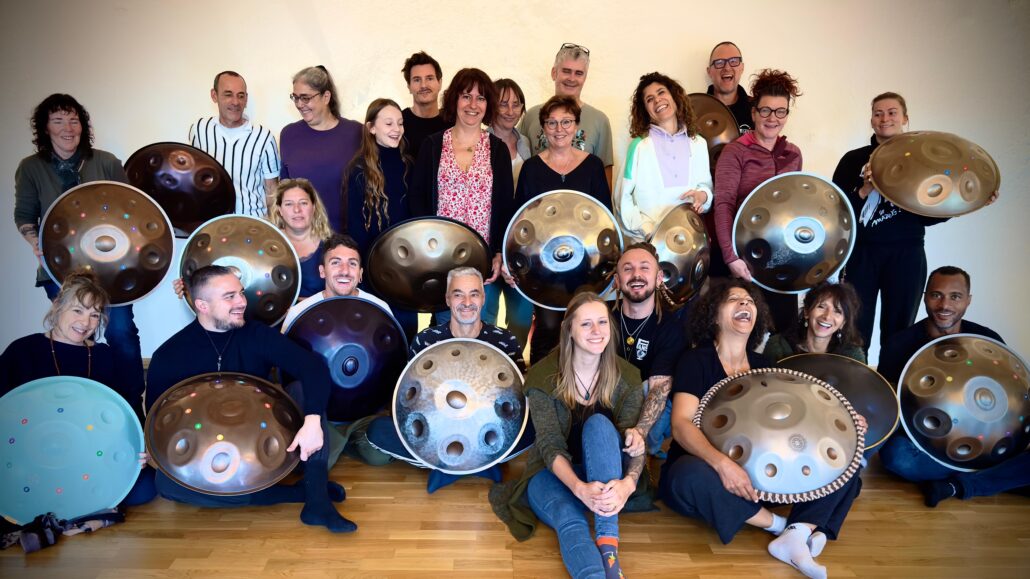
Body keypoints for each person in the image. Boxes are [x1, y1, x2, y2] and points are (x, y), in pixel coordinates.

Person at [660, 279, 865, 579]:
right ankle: (785, 528)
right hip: (709, 473)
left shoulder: (764, 364)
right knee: (687, 474)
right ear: (714, 315)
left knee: (847, 457)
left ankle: (798, 533)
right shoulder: (696, 360)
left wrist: (847, 423)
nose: (745, 303)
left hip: (761, 480)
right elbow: (680, 425)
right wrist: (724, 466)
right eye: (733, 299)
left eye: (749, 300)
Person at [146, 265, 356, 533]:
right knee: (167, 485)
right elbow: (155, 416)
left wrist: (313, 421)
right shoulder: (169, 355)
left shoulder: (256, 334)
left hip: (263, 444)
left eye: (241, 293)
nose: (242, 302)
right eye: (229, 297)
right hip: (209, 457)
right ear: (202, 305)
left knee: (303, 391)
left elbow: (312, 367)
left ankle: (317, 502)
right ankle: (297, 493)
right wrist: (152, 451)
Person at [490, 292, 652, 579]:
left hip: (607, 475)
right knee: (569, 520)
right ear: (569, 331)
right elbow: (550, 446)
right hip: (554, 475)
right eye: (586, 324)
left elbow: (633, 444)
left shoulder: (627, 377)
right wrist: (579, 489)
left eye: (602, 322)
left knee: (600, 426)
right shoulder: (543, 377)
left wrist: (628, 484)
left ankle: (608, 547)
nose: (596, 331)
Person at [13, 93, 143, 395]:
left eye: (73, 121)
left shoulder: (106, 162)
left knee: (121, 332)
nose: (67, 128)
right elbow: (24, 215)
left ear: (83, 125)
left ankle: (131, 403)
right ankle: (80, 399)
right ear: (45, 127)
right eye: (58, 121)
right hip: (59, 269)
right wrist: (35, 242)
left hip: (112, 267)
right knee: (76, 331)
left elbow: (132, 210)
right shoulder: (31, 167)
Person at [874, 266, 1027, 506]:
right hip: (925, 444)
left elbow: (1012, 395)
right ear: (925, 297)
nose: (945, 305)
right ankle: (997, 477)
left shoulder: (987, 340)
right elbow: (887, 409)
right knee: (898, 458)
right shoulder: (899, 344)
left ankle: (956, 484)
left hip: (984, 441)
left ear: (968, 300)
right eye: (936, 295)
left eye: (955, 297)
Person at [363, 267, 524, 492]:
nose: (466, 302)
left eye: (474, 294)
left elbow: (519, 399)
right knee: (378, 430)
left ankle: (447, 462)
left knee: (533, 426)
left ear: (483, 298)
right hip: (437, 428)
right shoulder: (426, 340)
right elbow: (408, 400)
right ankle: (472, 460)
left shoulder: (504, 340)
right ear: (447, 299)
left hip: (487, 427)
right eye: (458, 294)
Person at [0, 271, 154, 506]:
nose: (85, 323)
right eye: (78, 311)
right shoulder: (23, 350)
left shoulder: (104, 355)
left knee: (146, 487)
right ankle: (94, 517)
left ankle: (80, 515)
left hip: (90, 455)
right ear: (58, 306)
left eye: (95, 315)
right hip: (33, 455)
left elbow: (124, 412)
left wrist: (137, 449)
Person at [832, 92, 949, 354]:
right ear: (871, 120)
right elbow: (836, 212)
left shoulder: (922, 161)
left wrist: (968, 201)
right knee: (854, 327)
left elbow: (931, 214)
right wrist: (865, 189)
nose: (885, 118)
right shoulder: (853, 160)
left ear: (905, 118)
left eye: (892, 112)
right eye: (878, 113)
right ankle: (853, 378)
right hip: (862, 253)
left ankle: (893, 378)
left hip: (907, 253)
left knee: (900, 329)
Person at [513, 95, 611, 365]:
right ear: (543, 128)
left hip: (586, 263)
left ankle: (580, 385)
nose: (559, 129)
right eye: (552, 123)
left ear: (577, 126)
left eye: (566, 122)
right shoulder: (531, 168)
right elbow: (520, 219)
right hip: (544, 265)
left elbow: (605, 216)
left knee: (582, 325)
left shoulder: (593, 165)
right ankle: (540, 385)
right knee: (547, 327)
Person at [410, 67, 515, 319]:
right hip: (441, 257)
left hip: (483, 260)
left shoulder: (498, 150)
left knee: (484, 325)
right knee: (446, 325)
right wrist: (427, 246)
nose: (473, 105)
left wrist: (499, 252)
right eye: (466, 96)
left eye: (481, 98)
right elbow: (417, 198)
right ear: (454, 99)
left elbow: (504, 205)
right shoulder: (433, 145)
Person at [711, 69, 803, 332]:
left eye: (780, 111)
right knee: (742, 333)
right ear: (753, 113)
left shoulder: (793, 154)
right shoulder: (735, 152)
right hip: (744, 260)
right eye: (765, 110)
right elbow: (724, 205)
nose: (772, 118)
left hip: (782, 261)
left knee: (783, 334)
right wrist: (731, 258)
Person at [341, 98, 417, 339]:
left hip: (405, 267)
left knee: (406, 331)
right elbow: (355, 225)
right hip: (373, 268)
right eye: (388, 123)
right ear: (371, 128)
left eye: (400, 123)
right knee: (376, 332)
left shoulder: (409, 165)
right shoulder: (358, 169)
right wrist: (361, 265)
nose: (397, 129)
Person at [617, 71, 713, 242]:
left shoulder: (698, 143)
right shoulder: (639, 146)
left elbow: (705, 187)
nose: (657, 100)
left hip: (689, 241)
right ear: (645, 110)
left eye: (661, 92)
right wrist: (647, 230)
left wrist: (702, 196)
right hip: (648, 242)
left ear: (675, 97)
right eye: (649, 99)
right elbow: (622, 197)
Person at [612, 243, 686, 460]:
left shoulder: (671, 327)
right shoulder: (601, 318)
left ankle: (643, 453)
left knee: (654, 396)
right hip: (607, 397)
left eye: (645, 268)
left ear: (659, 278)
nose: (636, 275)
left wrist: (639, 432)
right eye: (627, 269)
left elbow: (659, 388)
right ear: (617, 281)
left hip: (648, 406)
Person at [482, 78, 534, 353]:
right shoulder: (480, 142)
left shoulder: (526, 143)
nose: (511, 110)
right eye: (503, 103)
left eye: (517, 104)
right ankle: (487, 361)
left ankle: (514, 360)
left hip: (521, 240)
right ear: (492, 106)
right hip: (489, 237)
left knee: (522, 316)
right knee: (485, 312)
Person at [519, 43, 614, 188]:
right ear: (554, 73)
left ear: (585, 78)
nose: (572, 78)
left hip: (580, 202)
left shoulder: (599, 120)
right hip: (539, 200)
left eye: (578, 73)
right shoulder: (532, 116)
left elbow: (605, 176)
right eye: (566, 71)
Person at [280, 65, 361, 232]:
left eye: (305, 98)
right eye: (295, 97)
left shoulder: (356, 132)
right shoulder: (288, 134)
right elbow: (284, 190)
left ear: (326, 97)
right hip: (303, 236)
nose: (299, 104)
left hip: (347, 235)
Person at [188, 70, 280, 217]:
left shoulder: (264, 137)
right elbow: (193, 178)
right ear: (214, 95)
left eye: (241, 96)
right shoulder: (199, 130)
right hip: (211, 222)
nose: (235, 102)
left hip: (252, 223)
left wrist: (274, 226)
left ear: (246, 99)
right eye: (228, 94)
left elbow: (272, 191)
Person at [280, 233, 392, 330]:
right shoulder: (298, 313)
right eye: (335, 263)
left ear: (360, 274)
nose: (345, 271)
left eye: (352, 263)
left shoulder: (381, 310)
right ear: (322, 271)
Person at [762, 281, 866, 363]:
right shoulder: (778, 347)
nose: (827, 316)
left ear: (843, 322)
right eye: (821, 306)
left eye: (837, 311)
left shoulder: (852, 356)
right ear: (807, 311)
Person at [268, 178, 334, 299]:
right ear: (280, 210)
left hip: (320, 310)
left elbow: (342, 292)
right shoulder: (267, 244)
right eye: (289, 204)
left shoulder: (332, 246)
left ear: (313, 207)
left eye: (303, 203)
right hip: (276, 311)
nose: (297, 210)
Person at [401, 51, 448, 160]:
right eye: (417, 80)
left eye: (429, 78)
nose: (423, 85)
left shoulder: (452, 123)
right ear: (409, 86)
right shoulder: (398, 123)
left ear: (440, 83)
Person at [705, 41, 752, 133]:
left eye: (733, 61)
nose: (727, 68)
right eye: (719, 62)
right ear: (709, 71)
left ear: (742, 67)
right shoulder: (694, 110)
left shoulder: (757, 109)